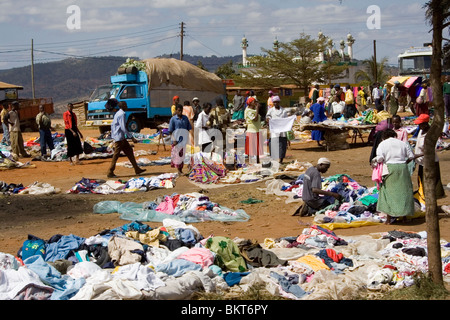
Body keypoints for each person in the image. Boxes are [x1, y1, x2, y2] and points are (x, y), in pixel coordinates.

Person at [374, 129, 415, 224]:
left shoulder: (382, 144)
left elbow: (380, 158)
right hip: (403, 168)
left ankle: (388, 219)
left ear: (384, 136)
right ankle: (404, 217)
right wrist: (404, 163)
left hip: (390, 168)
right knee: (404, 191)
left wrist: (375, 161)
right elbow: (411, 156)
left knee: (389, 192)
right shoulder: (402, 143)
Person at [413, 113, 445, 206]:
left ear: (426, 124)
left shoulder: (431, 135)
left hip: (430, 162)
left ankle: (431, 204)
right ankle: (425, 201)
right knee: (422, 182)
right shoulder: (421, 131)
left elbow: (430, 151)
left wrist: (415, 156)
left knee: (431, 184)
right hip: (421, 162)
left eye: (420, 124)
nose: (419, 126)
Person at [107, 101, 146, 178]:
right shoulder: (122, 114)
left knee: (129, 151)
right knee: (116, 154)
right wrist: (131, 137)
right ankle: (110, 171)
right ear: (123, 106)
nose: (127, 106)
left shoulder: (118, 113)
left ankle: (136, 169)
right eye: (126, 105)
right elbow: (123, 127)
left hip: (120, 137)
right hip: (120, 137)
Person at [168, 104, 192, 175]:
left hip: (184, 140)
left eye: (181, 110)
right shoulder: (173, 119)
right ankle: (179, 170)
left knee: (182, 155)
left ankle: (180, 169)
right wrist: (174, 139)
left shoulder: (185, 118)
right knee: (178, 156)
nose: (180, 112)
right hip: (176, 141)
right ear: (176, 111)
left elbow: (189, 128)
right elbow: (170, 131)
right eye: (179, 110)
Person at [266, 96, 289, 163]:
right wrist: (268, 120)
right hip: (274, 131)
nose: (276, 103)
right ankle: (274, 159)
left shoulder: (283, 111)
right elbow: (267, 117)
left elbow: (286, 120)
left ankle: (281, 159)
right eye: (274, 102)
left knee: (282, 145)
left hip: (282, 131)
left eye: (277, 102)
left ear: (279, 102)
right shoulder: (270, 111)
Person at [244, 97, 263, 163]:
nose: (255, 103)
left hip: (257, 130)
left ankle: (257, 161)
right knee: (251, 148)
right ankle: (250, 161)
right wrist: (257, 109)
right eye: (254, 101)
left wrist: (257, 109)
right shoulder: (248, 111)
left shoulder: (253, 110)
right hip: (252, 131)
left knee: (257, 147)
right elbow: (255, 119)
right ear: (250, 103)